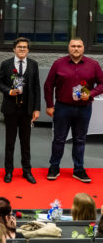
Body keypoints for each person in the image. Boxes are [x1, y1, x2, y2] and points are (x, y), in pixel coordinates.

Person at [44, 37, 103, 183]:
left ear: (83, 48)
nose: (76, 49)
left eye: (79, 46)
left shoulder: (93, 64)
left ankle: (78, 169)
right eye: (73, 46)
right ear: (68, 48)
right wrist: (50, 105)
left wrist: (91, 94)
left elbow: (102, 84)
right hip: (62, 108)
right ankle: (54, 167)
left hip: (84, 108)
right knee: (59, 139)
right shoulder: (58, 64)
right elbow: (48, 85)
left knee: (80, 139)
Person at [0, 37, 40, 184]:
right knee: (10, 142)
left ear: (28, 50)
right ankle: (8, 171)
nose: (22, 49)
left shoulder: (33, 64)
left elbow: (36, 88)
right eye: (19, 47)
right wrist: (8, 91)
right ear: (14, 49)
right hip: (11, 109)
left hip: (27, 110)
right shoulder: (6, 64)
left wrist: (37, 108)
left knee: (25, 142)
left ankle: (27, 171)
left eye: (25, 47)